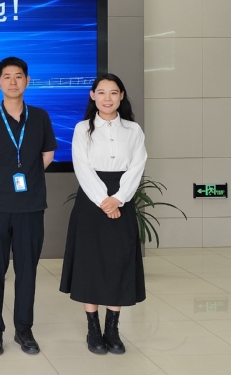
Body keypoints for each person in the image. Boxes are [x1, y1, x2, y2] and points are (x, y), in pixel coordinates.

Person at [0, 57, 57, 356]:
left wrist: (28, 176)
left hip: (30, 207)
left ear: (27, 81)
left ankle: (24, 329)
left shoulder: (40, 117)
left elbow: (47, 154)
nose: (12, 81)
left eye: (18, 76)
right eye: (6, 77)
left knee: (27, 271)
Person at [60, 74, 147, 355]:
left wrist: (119, 198)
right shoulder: (82, 128)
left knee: (118, 262)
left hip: (123, 198)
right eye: (101, 92)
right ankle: (93, 329)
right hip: (91, 201)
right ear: (92, 95)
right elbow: (82, 167)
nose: (107, 98)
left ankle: (113, 330)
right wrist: (103, 201)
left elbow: (137, 166)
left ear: (121, 96)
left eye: (113, 92)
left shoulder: (133, 130)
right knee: (91, 263)